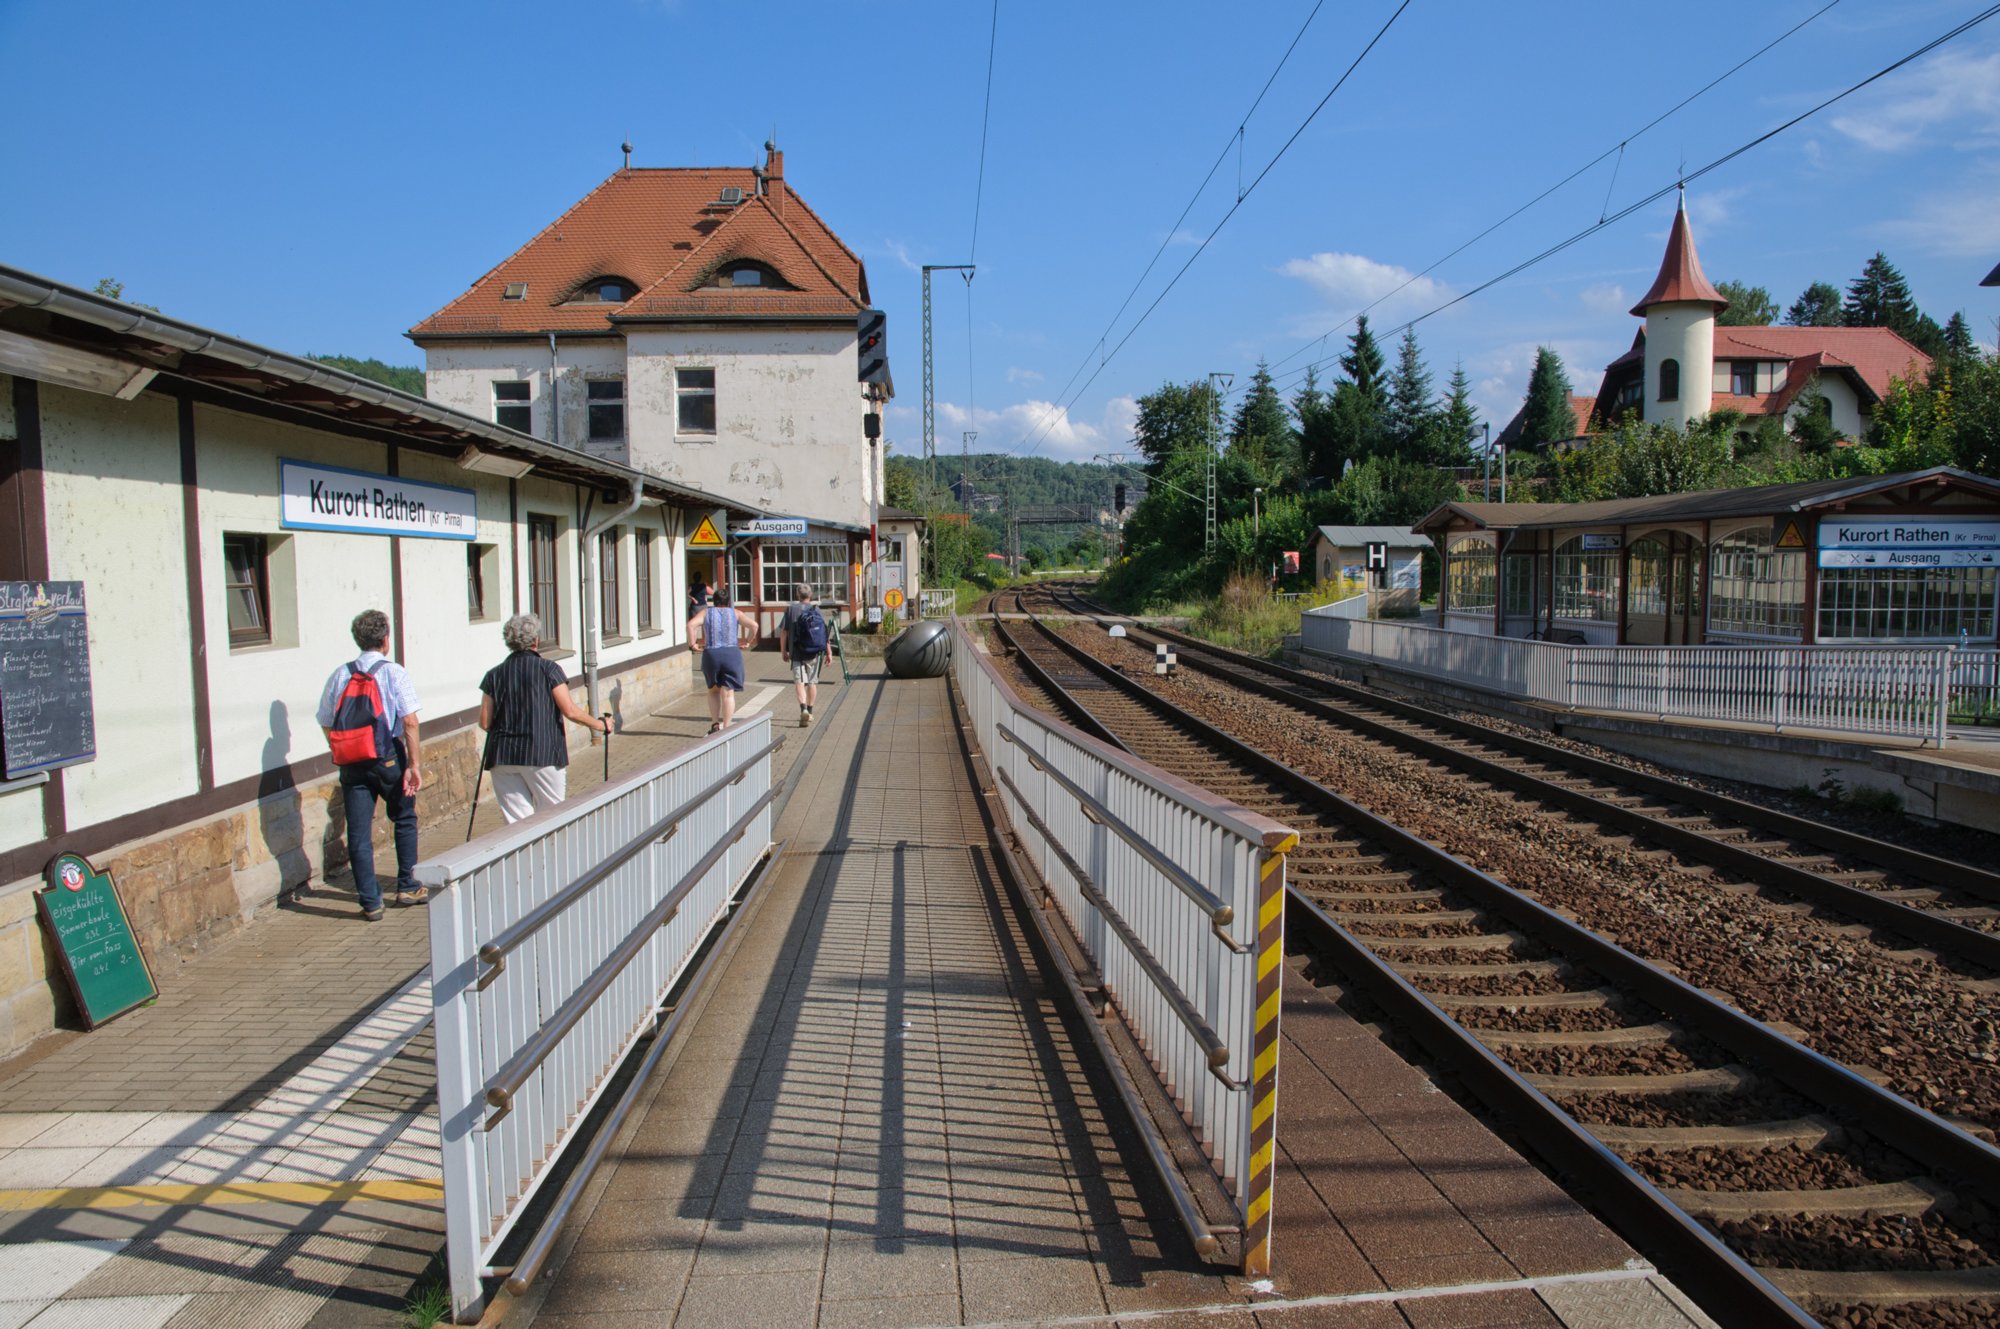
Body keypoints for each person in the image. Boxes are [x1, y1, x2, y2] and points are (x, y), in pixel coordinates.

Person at [315, 609, 422, 922]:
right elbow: (410, 722)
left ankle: (370, 902)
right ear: (385, 639)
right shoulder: (393, 673)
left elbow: (325, 721)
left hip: (352, 763)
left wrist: (344, 747)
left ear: (357, 639)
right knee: (403, 816)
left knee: (358, 833)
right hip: (388, 755)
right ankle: (407, 886)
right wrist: (413, 764)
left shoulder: (340, 674)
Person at [479, 613, 610, 823]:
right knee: (551, 816)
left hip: (503, 756)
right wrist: (600, 725)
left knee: (516, 823)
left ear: (509, 642)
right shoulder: (549, 670)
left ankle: (521, 855)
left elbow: (485, 722)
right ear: (536, 640)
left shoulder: (494, 675)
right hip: (542, 752)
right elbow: (569, 710)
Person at [689, 588, 759, 733]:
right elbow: (754, 625)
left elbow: (690, 625)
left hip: (711, 654)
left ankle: (715, 724)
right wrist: (747, 641)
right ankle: (727, 727)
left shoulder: (706, 612)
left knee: (713, 691)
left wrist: (693, 644)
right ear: (728, 601)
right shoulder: (736, 613)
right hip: (731, 654)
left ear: (713, 601)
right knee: (728, 693)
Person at [778, 582, 834, 728]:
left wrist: (783, 651)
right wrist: (829, 652)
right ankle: (810, 710)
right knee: (812, 682)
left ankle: (803, 708)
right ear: (810, 595)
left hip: (797, 652)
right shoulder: (816, 609)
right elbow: (824, 633)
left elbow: (784, 632)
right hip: (815, 652)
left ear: (798, 595)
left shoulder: (790, 610)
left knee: (799, 682)